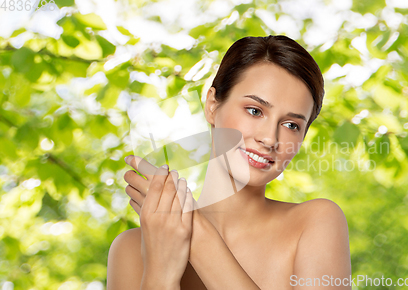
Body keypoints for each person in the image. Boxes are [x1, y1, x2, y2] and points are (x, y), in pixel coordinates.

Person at [107, 35, 351, 289]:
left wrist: (196, 234)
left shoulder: (314, 223)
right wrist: (160, 272)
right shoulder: (131, 249)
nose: (270, 139)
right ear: (212, 105)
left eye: (291, 125)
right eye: (255, 110)